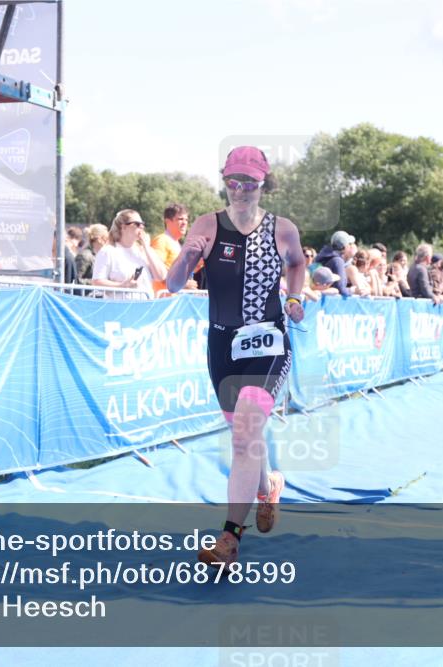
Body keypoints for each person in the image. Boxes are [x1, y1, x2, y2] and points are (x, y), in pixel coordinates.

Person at [165, 146, 305, 568]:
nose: (241, 190)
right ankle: (268, 486)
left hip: (269, 345)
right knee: (246, 437)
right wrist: (188, 255)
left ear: (263, 184)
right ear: (225, 181)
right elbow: (173, 284)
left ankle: (229, 539)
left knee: (244, 435)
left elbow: (297, 264)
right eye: (234, 181)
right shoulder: (207, 225)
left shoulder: (283, 229)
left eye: (250, 182)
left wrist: (294, 297)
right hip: (223, 348)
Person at [92, 209, 168, 298]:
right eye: (137, 224)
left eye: (142, 224)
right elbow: (97, 282)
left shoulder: (143, 251)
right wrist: (122, 286)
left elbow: (161, 276)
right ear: (123, 227)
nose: (142, 227)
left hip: (146, 305)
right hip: (120, 305)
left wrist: (147, 247)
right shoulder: (108, 251)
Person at [151, 203, 197, 294]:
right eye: (180, 219)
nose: (184, 223)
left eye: (186, 219)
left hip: (176, 300)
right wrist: (183, 284)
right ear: (168, 221)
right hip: (163, 300)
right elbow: (157, 272)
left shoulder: (178, 244)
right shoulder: (161, 240)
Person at [314, 230, 356, 296]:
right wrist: (352, 291)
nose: (350, 246)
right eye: (349, 244)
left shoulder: (323, 257)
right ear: (344, 247)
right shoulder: (338, 261)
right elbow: (341, 289)